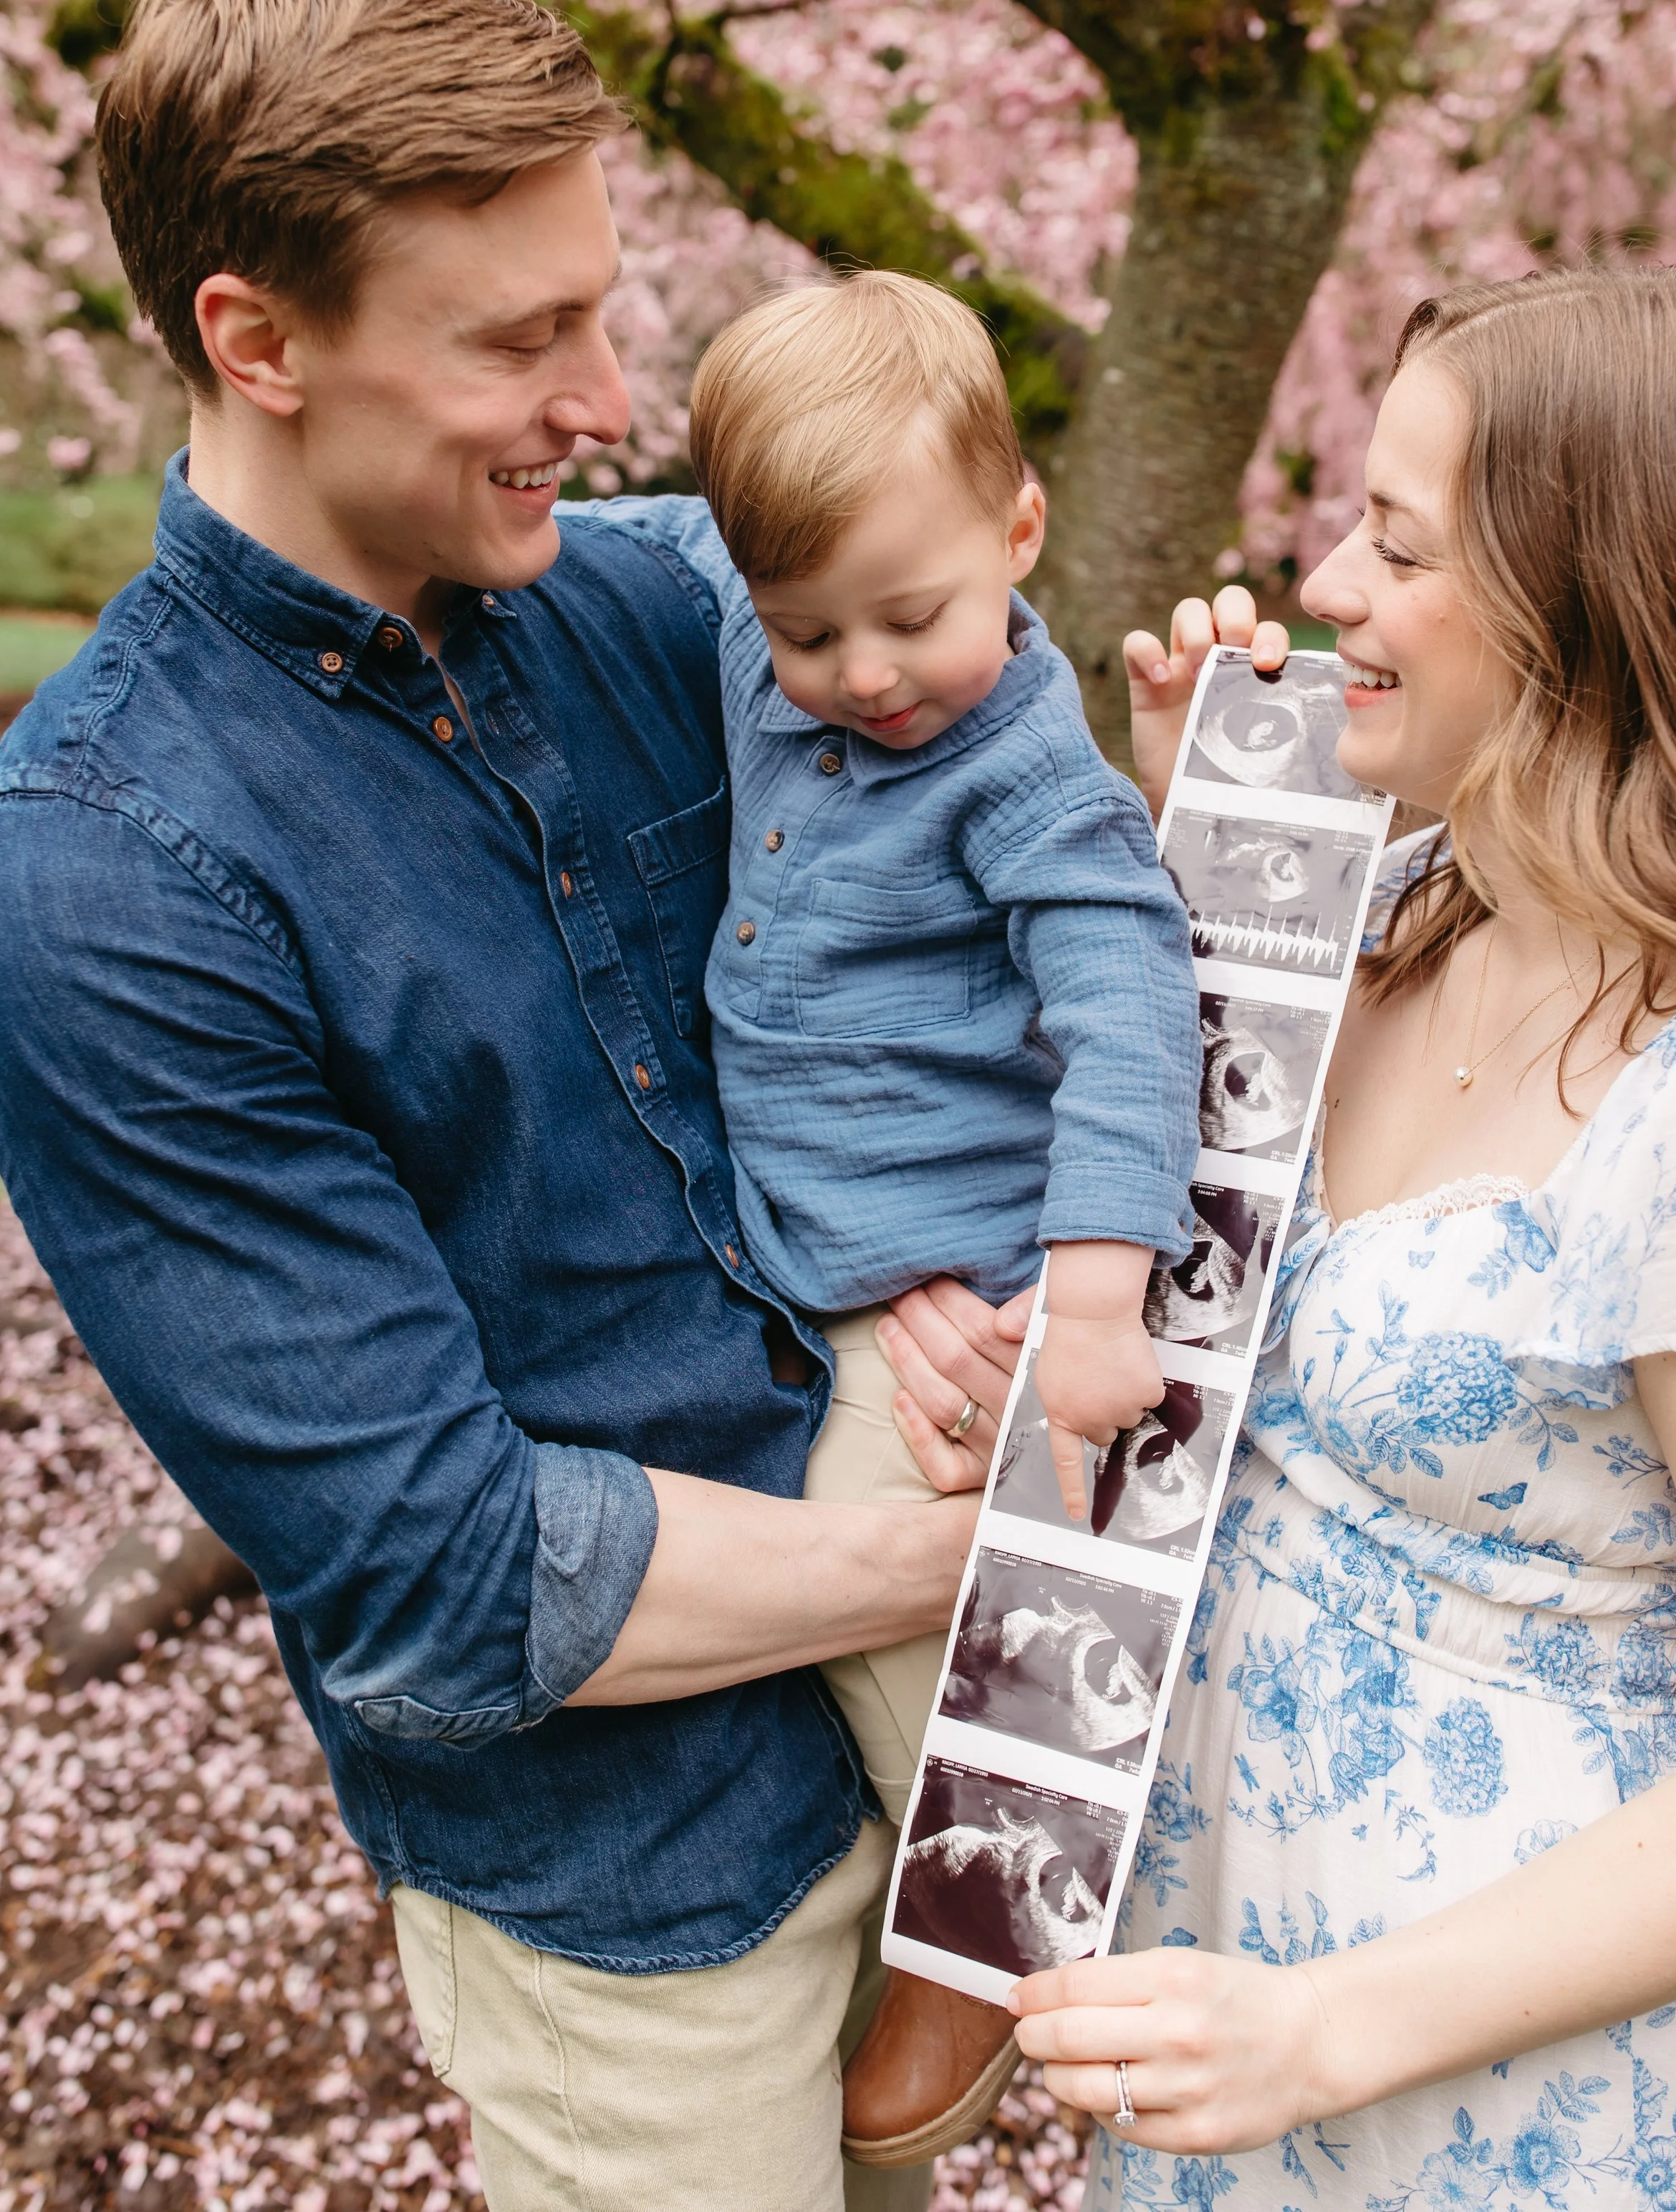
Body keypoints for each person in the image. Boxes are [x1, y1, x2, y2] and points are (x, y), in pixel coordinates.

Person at [0, 0, 1021, 2212]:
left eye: (606, 305)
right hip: (631, 1895)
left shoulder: (666, 605)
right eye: (524, 338)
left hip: (907, 1755)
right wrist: (970, 1563)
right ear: (256, 341)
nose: (612, 393)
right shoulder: (113, 877)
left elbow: (972, 795)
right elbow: (448, 1567)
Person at [1008, 264, 1676, 2208]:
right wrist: (1205, 884)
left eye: (1398, 543)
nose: (1326, 581)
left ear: (1582, 615)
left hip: (1505, 2090)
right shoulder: (1383, 908)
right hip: (1219, 1983)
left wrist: (1319, 2027)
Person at [592, 272, 1201, 2164]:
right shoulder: (745, 597)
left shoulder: (1016, 760)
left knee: (878, 1573)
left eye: (912, 614)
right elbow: (629, 538)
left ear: (1019, 533)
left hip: (948, 1279)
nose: (863, 672)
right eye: (807, 631)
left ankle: (984, 1895)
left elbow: (1126, 992)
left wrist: (1097, 1291)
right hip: (802, 1249)